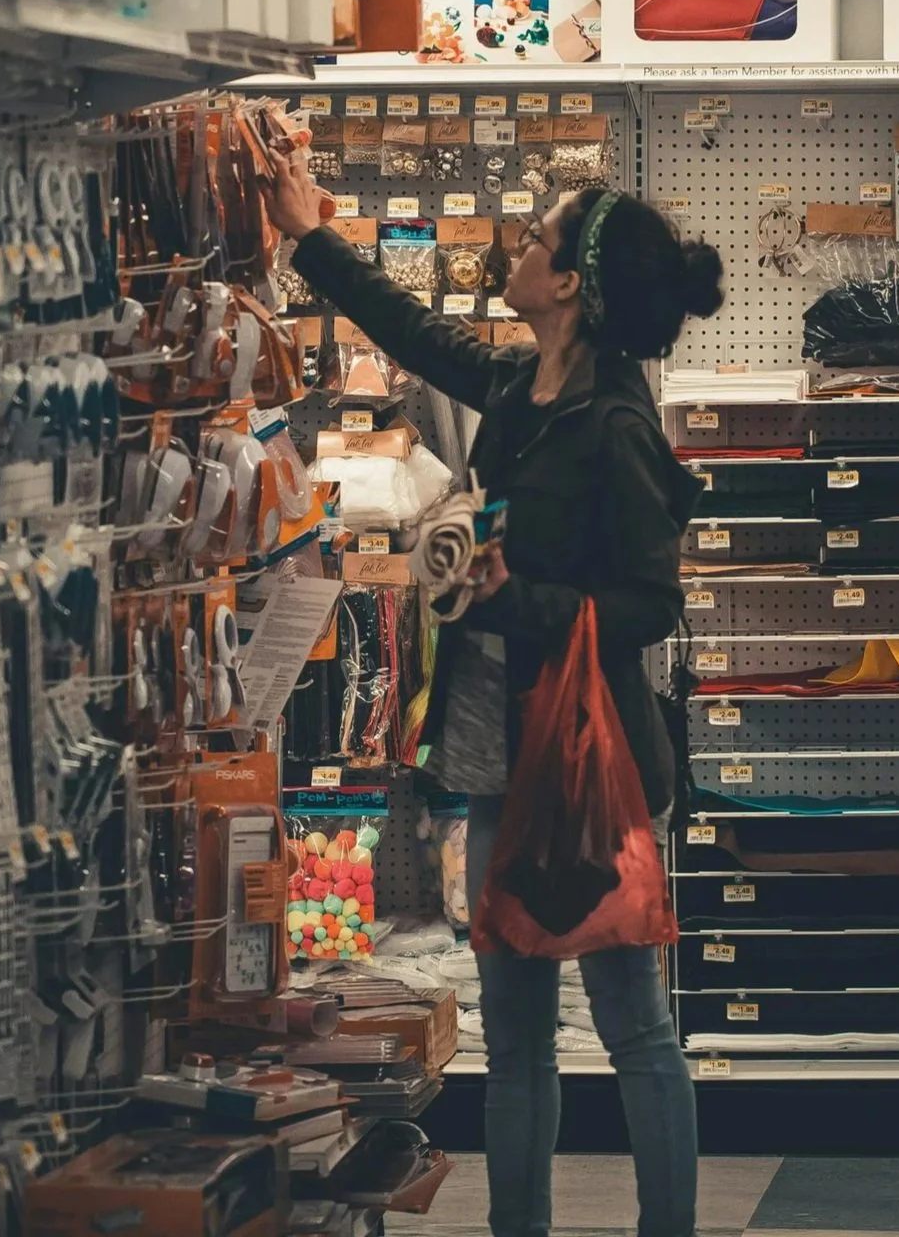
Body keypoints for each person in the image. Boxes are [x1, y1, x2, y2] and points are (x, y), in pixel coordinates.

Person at [266, 153, 721, 1237]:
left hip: (592, 766)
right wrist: (309, 234)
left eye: (536, 241)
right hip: (494, 757)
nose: (516, 249)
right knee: (512, 1038)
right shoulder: (525, 387)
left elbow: (651, 603)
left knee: (633, 1028)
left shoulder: (615, 424)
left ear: (570, 285)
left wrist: (517, 596)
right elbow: (423, 337)